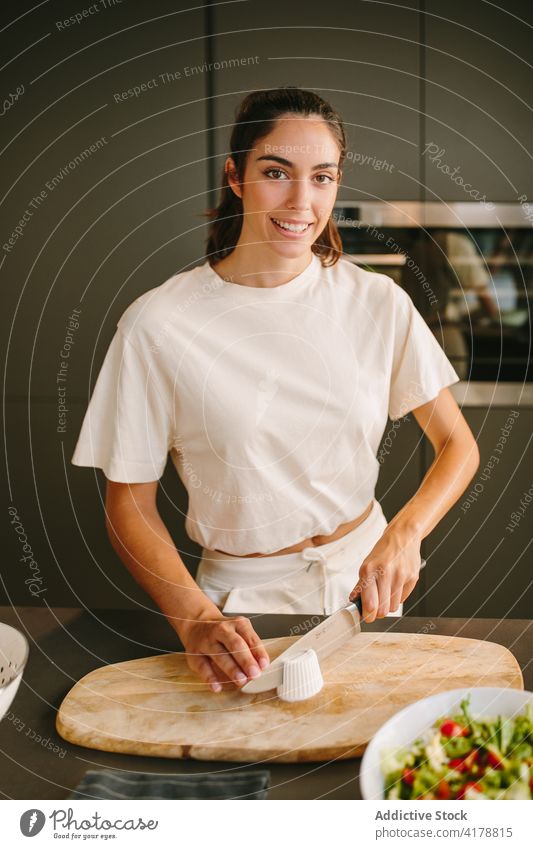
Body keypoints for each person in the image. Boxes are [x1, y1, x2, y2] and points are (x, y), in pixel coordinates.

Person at [71, 87, 480, 694]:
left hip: (363, 590)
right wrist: (196, 620)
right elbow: (128, 504)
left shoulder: (376, 303)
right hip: (238, 610)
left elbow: (457, 445)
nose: (301, 201)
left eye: (322, 177)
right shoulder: (159, 324)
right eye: (276, 173)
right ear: (235, 177)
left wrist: (405, 533)